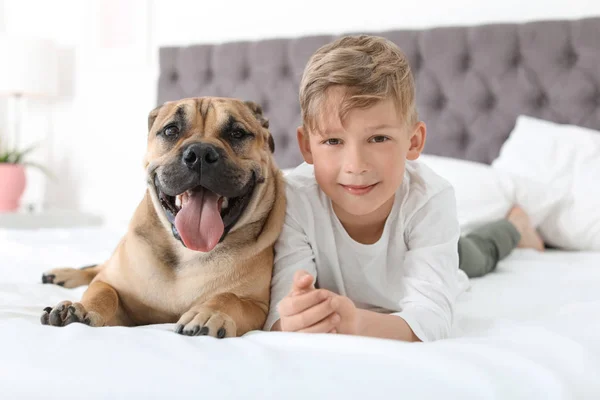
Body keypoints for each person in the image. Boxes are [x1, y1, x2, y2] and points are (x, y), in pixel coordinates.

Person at [264, 35, 544, 342]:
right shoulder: (293, 199)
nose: (355, 166)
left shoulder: (430, 200)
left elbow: (433, 318)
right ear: (307, 147)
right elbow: (278, 311)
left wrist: (355, 323)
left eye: (379, 139)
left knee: (476, 253)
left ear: (413, 142)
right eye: (333, 141)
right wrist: (293, 317)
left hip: (436, 248)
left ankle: (515, 226)